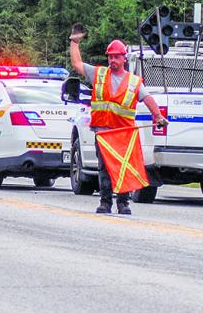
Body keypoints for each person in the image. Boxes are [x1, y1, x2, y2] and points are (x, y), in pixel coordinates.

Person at [69, 29, 167, 215]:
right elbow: (77, 64)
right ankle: (105, 203)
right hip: (103, 133)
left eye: (116, 57)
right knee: (104, 169)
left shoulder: (133, 82)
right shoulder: (98, 74)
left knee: (124, 169)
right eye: (110, 57)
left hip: (123, 134)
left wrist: (158, 116)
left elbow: (148, 99)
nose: (112, 60)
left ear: (124, 58)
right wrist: (74, 42)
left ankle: (123, 203)